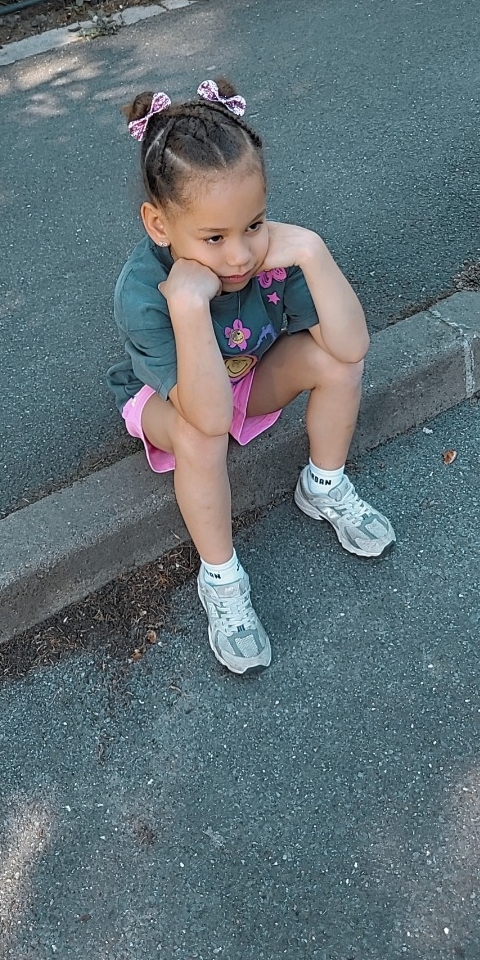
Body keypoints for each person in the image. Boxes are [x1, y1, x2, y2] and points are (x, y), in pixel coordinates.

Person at [107, 78, 395, 675]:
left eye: (254, 224)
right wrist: (188, 305)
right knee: (198, 438)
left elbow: (351, 346)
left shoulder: (270, 255)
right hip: (172, 399)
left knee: (333, 361)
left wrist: (313, 251)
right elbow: (209, 416)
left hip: (244, 374)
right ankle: (221, 578)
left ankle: (324, 485)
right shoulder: (142, 292)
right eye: (214, 238)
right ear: (159, 225)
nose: (240, 255)